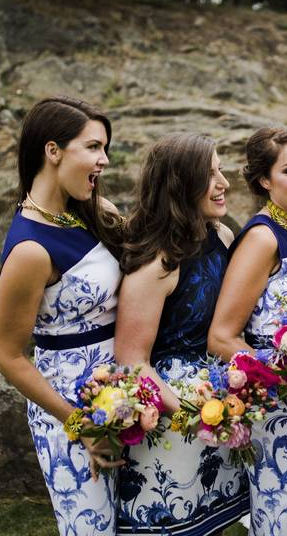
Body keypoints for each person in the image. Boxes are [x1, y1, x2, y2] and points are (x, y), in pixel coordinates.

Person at [0, 96, 125, 535]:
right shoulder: (30, 249)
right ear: (53, 151)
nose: (104, 160)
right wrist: (79, 424)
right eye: (93, 147)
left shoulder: (87, 213)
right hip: (70, 408)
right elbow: (7, 356)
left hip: (123, 396)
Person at [115, 134, 250, 535]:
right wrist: (190, 416)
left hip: (218, 407)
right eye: (210, 174)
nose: (223, 182)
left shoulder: (222, 237)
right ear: (180, 184)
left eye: (220, 170)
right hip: (173, 420)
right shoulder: (157, 263)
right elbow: (132, 360)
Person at [207, 127, 287, 536]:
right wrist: (281, 376)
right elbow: (222, 335)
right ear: (264, 180)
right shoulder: (261, 238)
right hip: (277, 407)